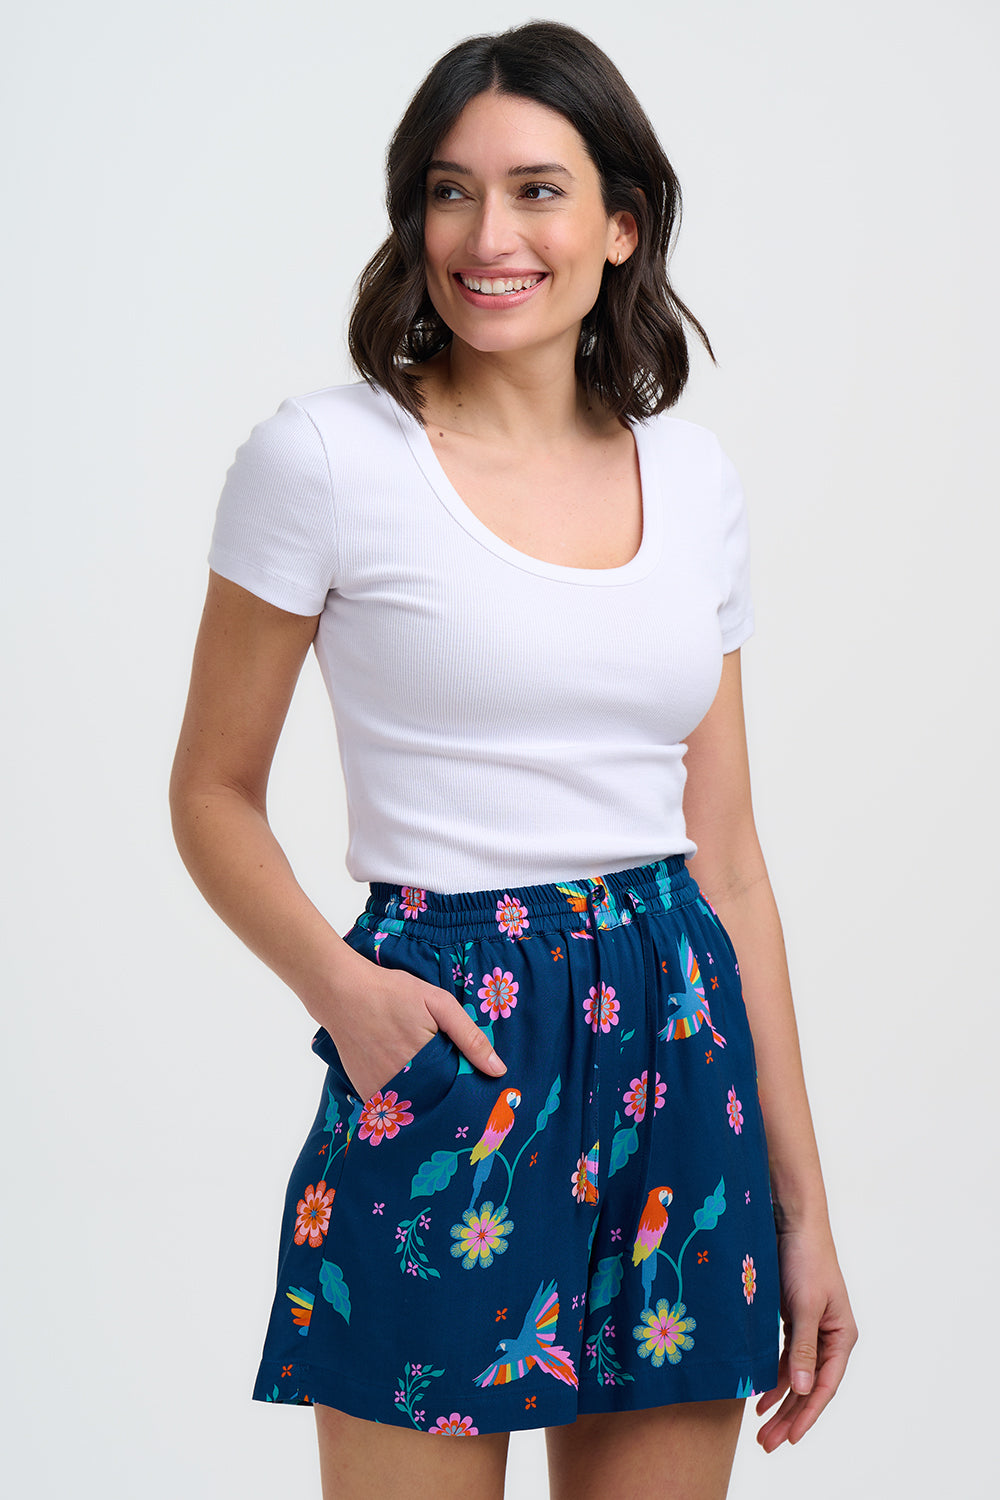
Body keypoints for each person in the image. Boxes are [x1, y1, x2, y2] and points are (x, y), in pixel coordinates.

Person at [170, 20, 856, 1500]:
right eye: (449, 190)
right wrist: (342, 993)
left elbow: (729, 860)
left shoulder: (693, 476)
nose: (490, 235)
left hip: (679, 1048)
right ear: (413, 218)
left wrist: (803, 1210)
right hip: (449, 1031)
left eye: (540, 190)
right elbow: (210, 790)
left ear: (621, 224)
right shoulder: (327, 461)